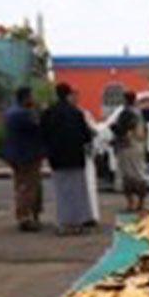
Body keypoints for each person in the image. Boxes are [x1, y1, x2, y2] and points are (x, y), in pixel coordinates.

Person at [40, 83, 96, 235]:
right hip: (76, 157)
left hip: (57, 158)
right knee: (77, 191)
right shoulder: (76, 113)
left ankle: (64, 223)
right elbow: (86, 136)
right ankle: (77, 222)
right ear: (69, 94)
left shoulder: (48, 113)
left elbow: (42, 135)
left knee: (61, 192)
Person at [1, 87, 44, 231]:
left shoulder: (9, 112)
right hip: (27, 156)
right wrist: (39, 111)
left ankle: (26, 214)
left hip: (14, 155)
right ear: (25, 98)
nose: (33, 99)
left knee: (20, 185)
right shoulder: (24, 114)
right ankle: (25, 217)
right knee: (29, 186)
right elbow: (38, 128)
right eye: (31, 97)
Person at [113, 91, 149, 212]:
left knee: (128, 176)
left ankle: (131, 203)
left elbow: (122, 130)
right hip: (139, 145)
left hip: (127, 146)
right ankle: (141, 203)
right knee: (140, 174)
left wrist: (113, 128)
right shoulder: (139, 113)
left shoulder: (126, 113)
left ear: (125, 100)